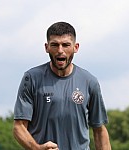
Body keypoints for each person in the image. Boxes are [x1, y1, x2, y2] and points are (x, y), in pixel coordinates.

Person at [13, 21, 111, 150]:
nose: (60, 50)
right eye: (54, 45)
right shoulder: (31, 78)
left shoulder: (89, 81)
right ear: (46, 47)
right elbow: (19, 127)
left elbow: (99, 130)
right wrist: (38, 148)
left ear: (76, 47)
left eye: (65, 45)